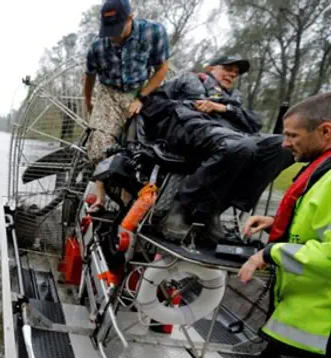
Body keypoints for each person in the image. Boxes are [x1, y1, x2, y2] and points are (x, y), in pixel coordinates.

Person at [141, 55, 294, 242]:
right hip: (191, 128)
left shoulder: (233, 98)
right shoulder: (189, 79)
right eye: (227, 68)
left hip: (229, 134)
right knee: (239, 146)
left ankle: (214, 210)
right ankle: (182, 207)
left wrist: (222, 108)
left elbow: (254, 123)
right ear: (210, 68)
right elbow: (154, 103)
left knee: (283, 146)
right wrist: (190, 107)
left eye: (236, 73)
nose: (232, 74)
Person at [237, 92, 331, 358]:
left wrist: (270, 252)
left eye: (292, 135)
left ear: (325, 131)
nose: (285, 143)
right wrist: (277, 223)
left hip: (315, 335)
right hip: (302, 321)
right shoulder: (322, 172)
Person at [84, 0, 171, 210]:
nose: (112, 35)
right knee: (98, 145)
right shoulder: (97, 46)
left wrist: (141, 98)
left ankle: (126, 201)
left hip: (141, 90)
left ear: (130, 18)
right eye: (108, 30)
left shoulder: (154, 32)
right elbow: (89, 78)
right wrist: (89, 103)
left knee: (136, 149)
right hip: (109, 93)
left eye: (116, 29)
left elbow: (162, 68)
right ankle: (100, 198)